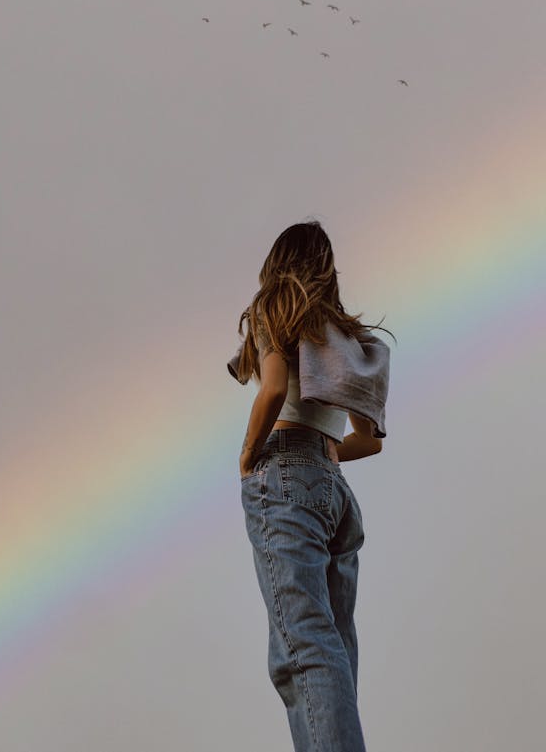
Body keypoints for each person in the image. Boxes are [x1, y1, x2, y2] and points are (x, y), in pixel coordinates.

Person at [228, 220, 395, 752]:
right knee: (335, 649)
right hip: (336, 491)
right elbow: (369, 441)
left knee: (302, 648)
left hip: (286, 475)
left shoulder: (272, 306)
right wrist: (325, 453)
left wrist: (250, 454)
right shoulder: (346, 337)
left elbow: (274, 387)